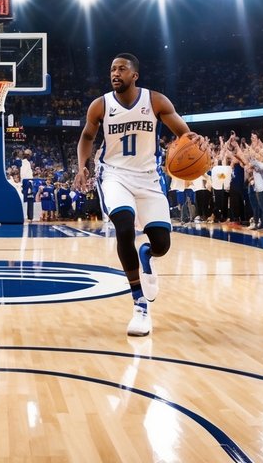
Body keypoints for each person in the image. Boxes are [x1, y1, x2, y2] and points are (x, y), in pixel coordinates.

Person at [74, 53, 195, 337]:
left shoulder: (155, 101)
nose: (115, 73)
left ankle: (147, 253)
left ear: (134, 75)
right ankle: (140, 303)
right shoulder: (100, 105)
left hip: (149, 178)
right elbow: (87, 137)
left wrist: (193, 140)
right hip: (114, 175)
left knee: (162, 244)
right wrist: (82, 166)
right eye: (112, 69)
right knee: (124, 227)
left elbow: (183, 134)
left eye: (121, 69)